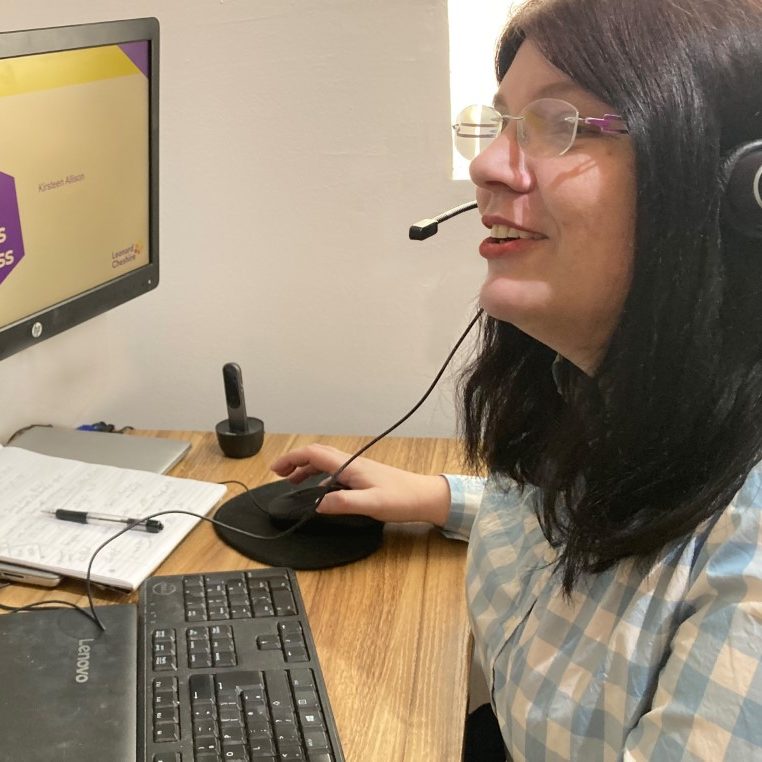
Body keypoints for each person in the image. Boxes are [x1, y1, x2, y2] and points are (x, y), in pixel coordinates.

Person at [271, 0, 762, 758]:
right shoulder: (599, 398)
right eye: (503, 122)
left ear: (738, 187)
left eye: (558, 122)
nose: (488, 166)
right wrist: (438, 498)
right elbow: (579, 506)